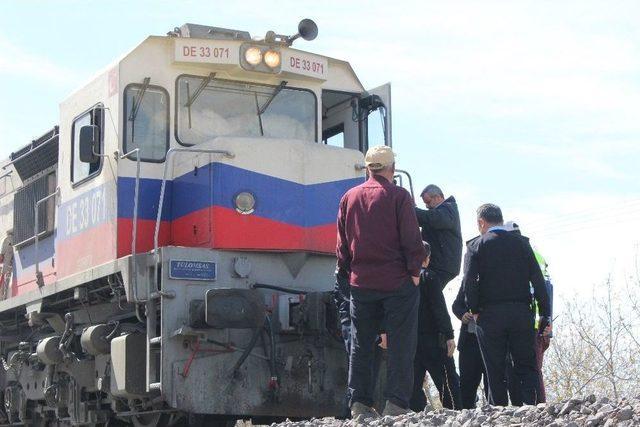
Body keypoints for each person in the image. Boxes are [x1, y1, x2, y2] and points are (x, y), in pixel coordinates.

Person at [337, 145, 426, 418]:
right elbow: (412, 240)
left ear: (367, 168)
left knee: (361, 344)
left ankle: (360, 405)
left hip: (361, 283)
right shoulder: (399, 196)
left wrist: (348, 274)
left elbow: (342, 247)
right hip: (397, 283)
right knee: (401, 344)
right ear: (392, 169)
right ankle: (396, 404)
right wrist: (414, 274)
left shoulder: (348, 197)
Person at [462, 204, 551, 406]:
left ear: (481, 223)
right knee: (527, 366)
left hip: (490, 314)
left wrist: (474, 310)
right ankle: (534, 411)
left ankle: (499, 412)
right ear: (501, 220)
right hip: (521, 312)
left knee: (495, 369)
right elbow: (537, 280)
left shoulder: (476, 246)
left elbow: (469, 282)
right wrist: (544, 314)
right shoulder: (522, 243)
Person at [502, 221, 553, 404]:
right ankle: (534, 408)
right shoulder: (536, 256)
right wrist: (547, 322)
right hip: (537, 322)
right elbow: (548, 292)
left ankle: (536, 410)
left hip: (528, 323)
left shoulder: (518, 257)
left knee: (527, 369)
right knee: (531, 369)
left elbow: (542, 290)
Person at [410, 241, 462, 411]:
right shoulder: (430, 277)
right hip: (433, 340)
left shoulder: (402, 280)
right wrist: (449, 335)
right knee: (448, 383)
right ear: (427, 258)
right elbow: (439, 309)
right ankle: (454, 415)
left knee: (412, 386)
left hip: (410, 341)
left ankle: (414, 417)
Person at [452, 263, 487, 409]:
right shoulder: (467, 280)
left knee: (493, 383)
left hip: (490, 340)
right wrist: (462, 314)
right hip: (469, 342)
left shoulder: (497, 281)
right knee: (466, 384)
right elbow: (456, 305)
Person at [414, 185, 462, 291]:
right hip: (440, 264)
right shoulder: (443, 211)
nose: (427, 206)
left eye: (428, 202)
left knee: (429, 295)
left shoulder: (449, 209)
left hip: (441, 265)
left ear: (437, 197)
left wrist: (412, 210)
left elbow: (431, 218)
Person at [0, 230, 13, 300]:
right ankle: (3, 296)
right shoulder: (6, 240)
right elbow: (1, 255)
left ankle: (4, 297)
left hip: (7, 261)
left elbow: (1, 255)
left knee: (5, 276)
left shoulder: (6, 240)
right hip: (7, 261)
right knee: (5, 276)